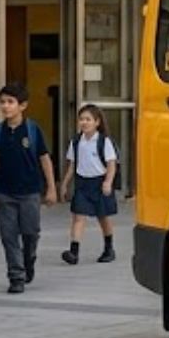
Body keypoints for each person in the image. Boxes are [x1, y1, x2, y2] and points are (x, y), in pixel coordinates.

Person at [0, 84, 58, 294]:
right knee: (9, 236)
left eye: (10, 102)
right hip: (5, 192)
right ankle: (16, 276)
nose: (6, 106)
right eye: (3, 102)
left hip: (30, 192)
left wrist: (51, 188)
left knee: (30, 233)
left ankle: (28, 259)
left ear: (22, 105)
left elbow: (44, 159)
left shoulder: (33, 130)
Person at [60, 104, 119, 264]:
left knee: (103, 217)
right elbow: (72, 165)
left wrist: (108, 182)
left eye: (88, 119)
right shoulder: (76, 141)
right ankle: (74, 252)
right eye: (81, 119)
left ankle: (109, 248)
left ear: (97, 122)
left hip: (99, 182)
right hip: (82, 183)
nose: (84, 123)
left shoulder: (104, 141)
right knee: (78, 217)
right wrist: (65, 183)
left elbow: (111, 165)